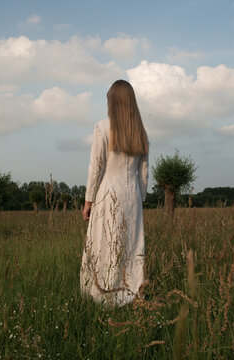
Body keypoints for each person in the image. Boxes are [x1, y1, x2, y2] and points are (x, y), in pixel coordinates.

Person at [80, 79, 149, 306]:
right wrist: (141, 199)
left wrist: (88, 200)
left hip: (108, 193)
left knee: (105, 242)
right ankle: (132, 293)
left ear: (112, 101)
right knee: (132, 245)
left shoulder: (102, 126)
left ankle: (104, 294)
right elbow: (144, 174)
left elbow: (96, 166)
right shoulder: (141, 132)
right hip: (132, 196)